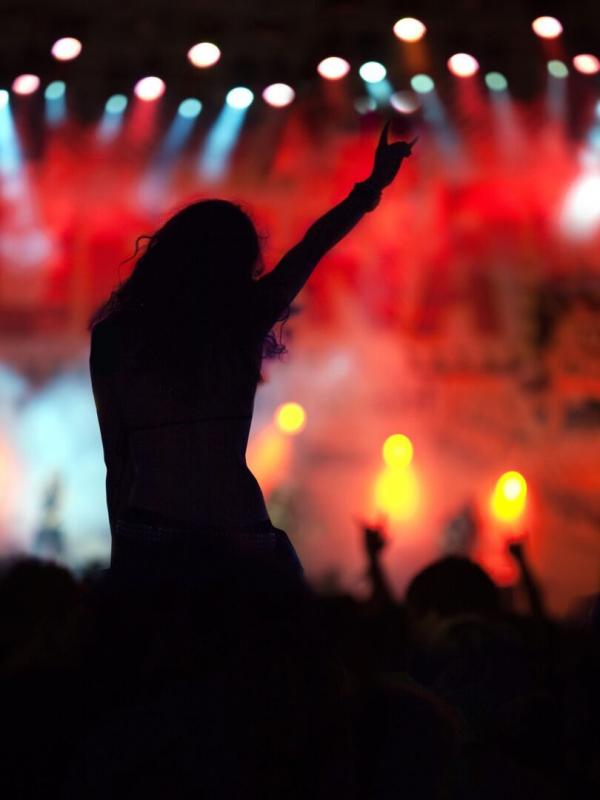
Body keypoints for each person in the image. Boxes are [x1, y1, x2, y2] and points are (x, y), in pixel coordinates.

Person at [90, 123, 416, 582]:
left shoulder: (115, 335)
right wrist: (370, 189)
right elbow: (313, 246)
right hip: (236, 528)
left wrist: (123, 556)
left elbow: (116, 458)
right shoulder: (241, 319)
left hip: (152, 530)